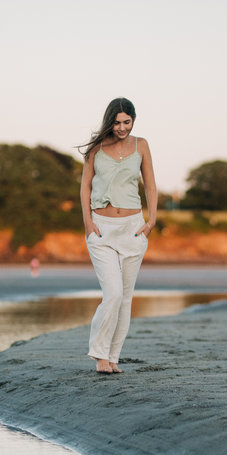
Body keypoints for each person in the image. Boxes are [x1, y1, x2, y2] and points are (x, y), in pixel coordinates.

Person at [79, 98, 157, 374]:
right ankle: (99, 355)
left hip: (133, 229)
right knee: (112, 294)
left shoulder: (141, 145)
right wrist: (88, 223)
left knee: (125, 299)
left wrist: (151, 221)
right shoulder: (96, 148)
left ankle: (113, 358)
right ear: (109, 121)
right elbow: (85, 187)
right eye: (117, 122)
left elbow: (150, 186)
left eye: (127, 122)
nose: (122, 127)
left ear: (133, 120)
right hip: (102, 229)